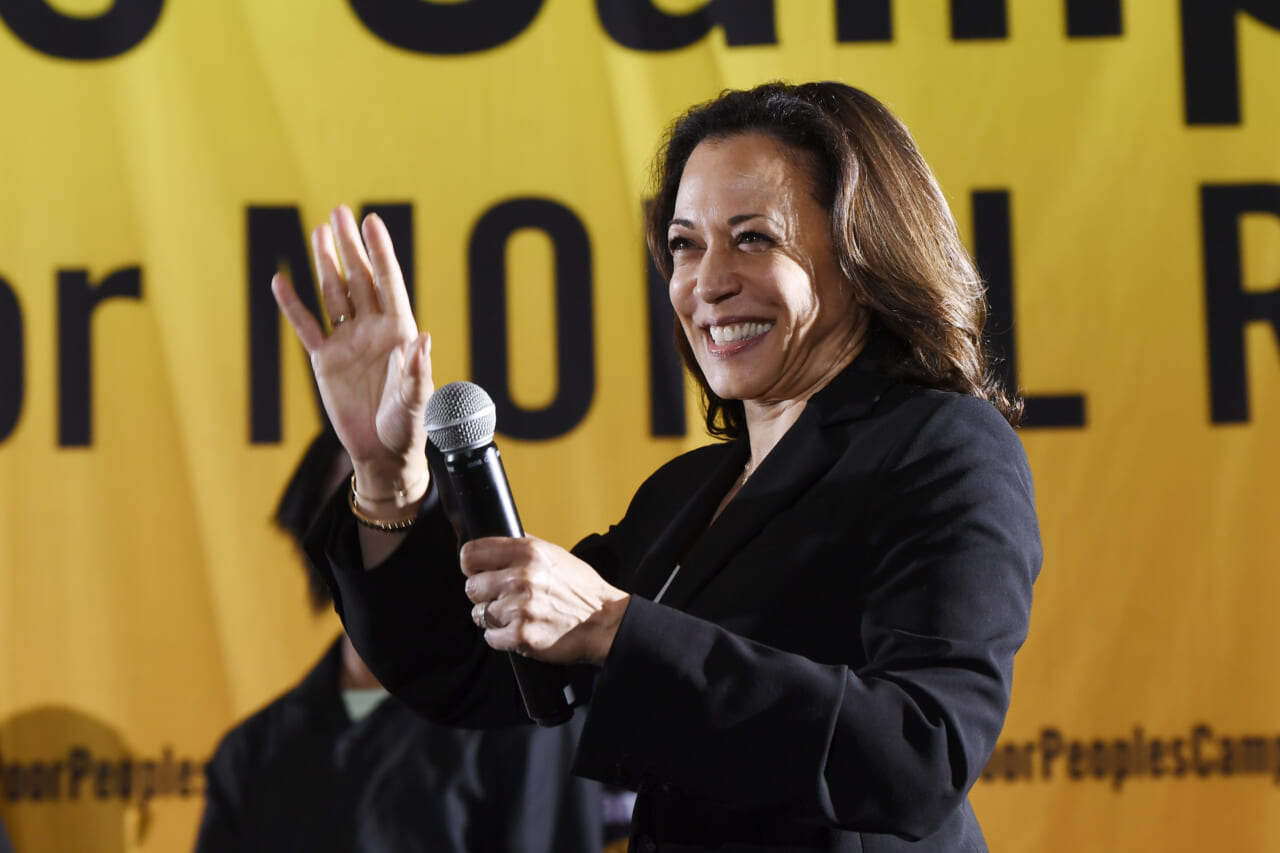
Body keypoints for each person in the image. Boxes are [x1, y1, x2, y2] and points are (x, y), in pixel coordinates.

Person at [273, 81, 1042, 851]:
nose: (706, 283)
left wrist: (615, 627)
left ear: (862, 247)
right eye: (684, 244)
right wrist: (385, 472)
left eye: (752, 237)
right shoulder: (689, 493)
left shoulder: (944, 446)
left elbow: (918, 752)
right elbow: (474, 673)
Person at [194, 429, 610, 852]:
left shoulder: (526, 717)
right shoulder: (252, 752)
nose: (377, 531)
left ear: (452, 526)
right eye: (356, 504)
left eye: (396, 504)